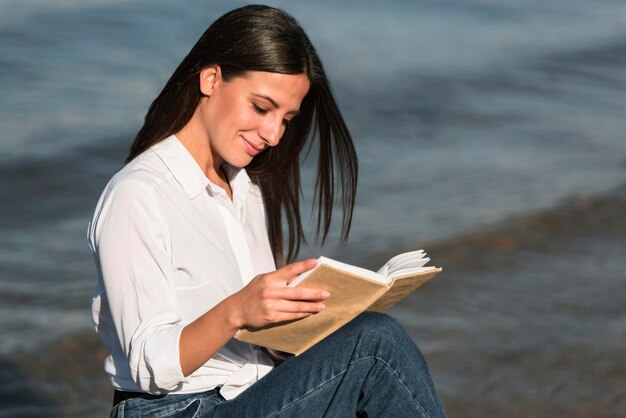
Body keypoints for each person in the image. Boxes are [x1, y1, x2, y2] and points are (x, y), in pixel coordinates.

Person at [88, 5, 447, 417]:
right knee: (376, 346)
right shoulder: (139, 194)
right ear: (211, 79)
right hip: (175, 410)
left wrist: (299, 324)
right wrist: (237, 310)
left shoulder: (245, 190)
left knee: (363, 339)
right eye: (261, 108)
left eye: (286, 119)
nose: (274, 134)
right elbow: (147, 363)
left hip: (249, 396)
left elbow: (252, 347)